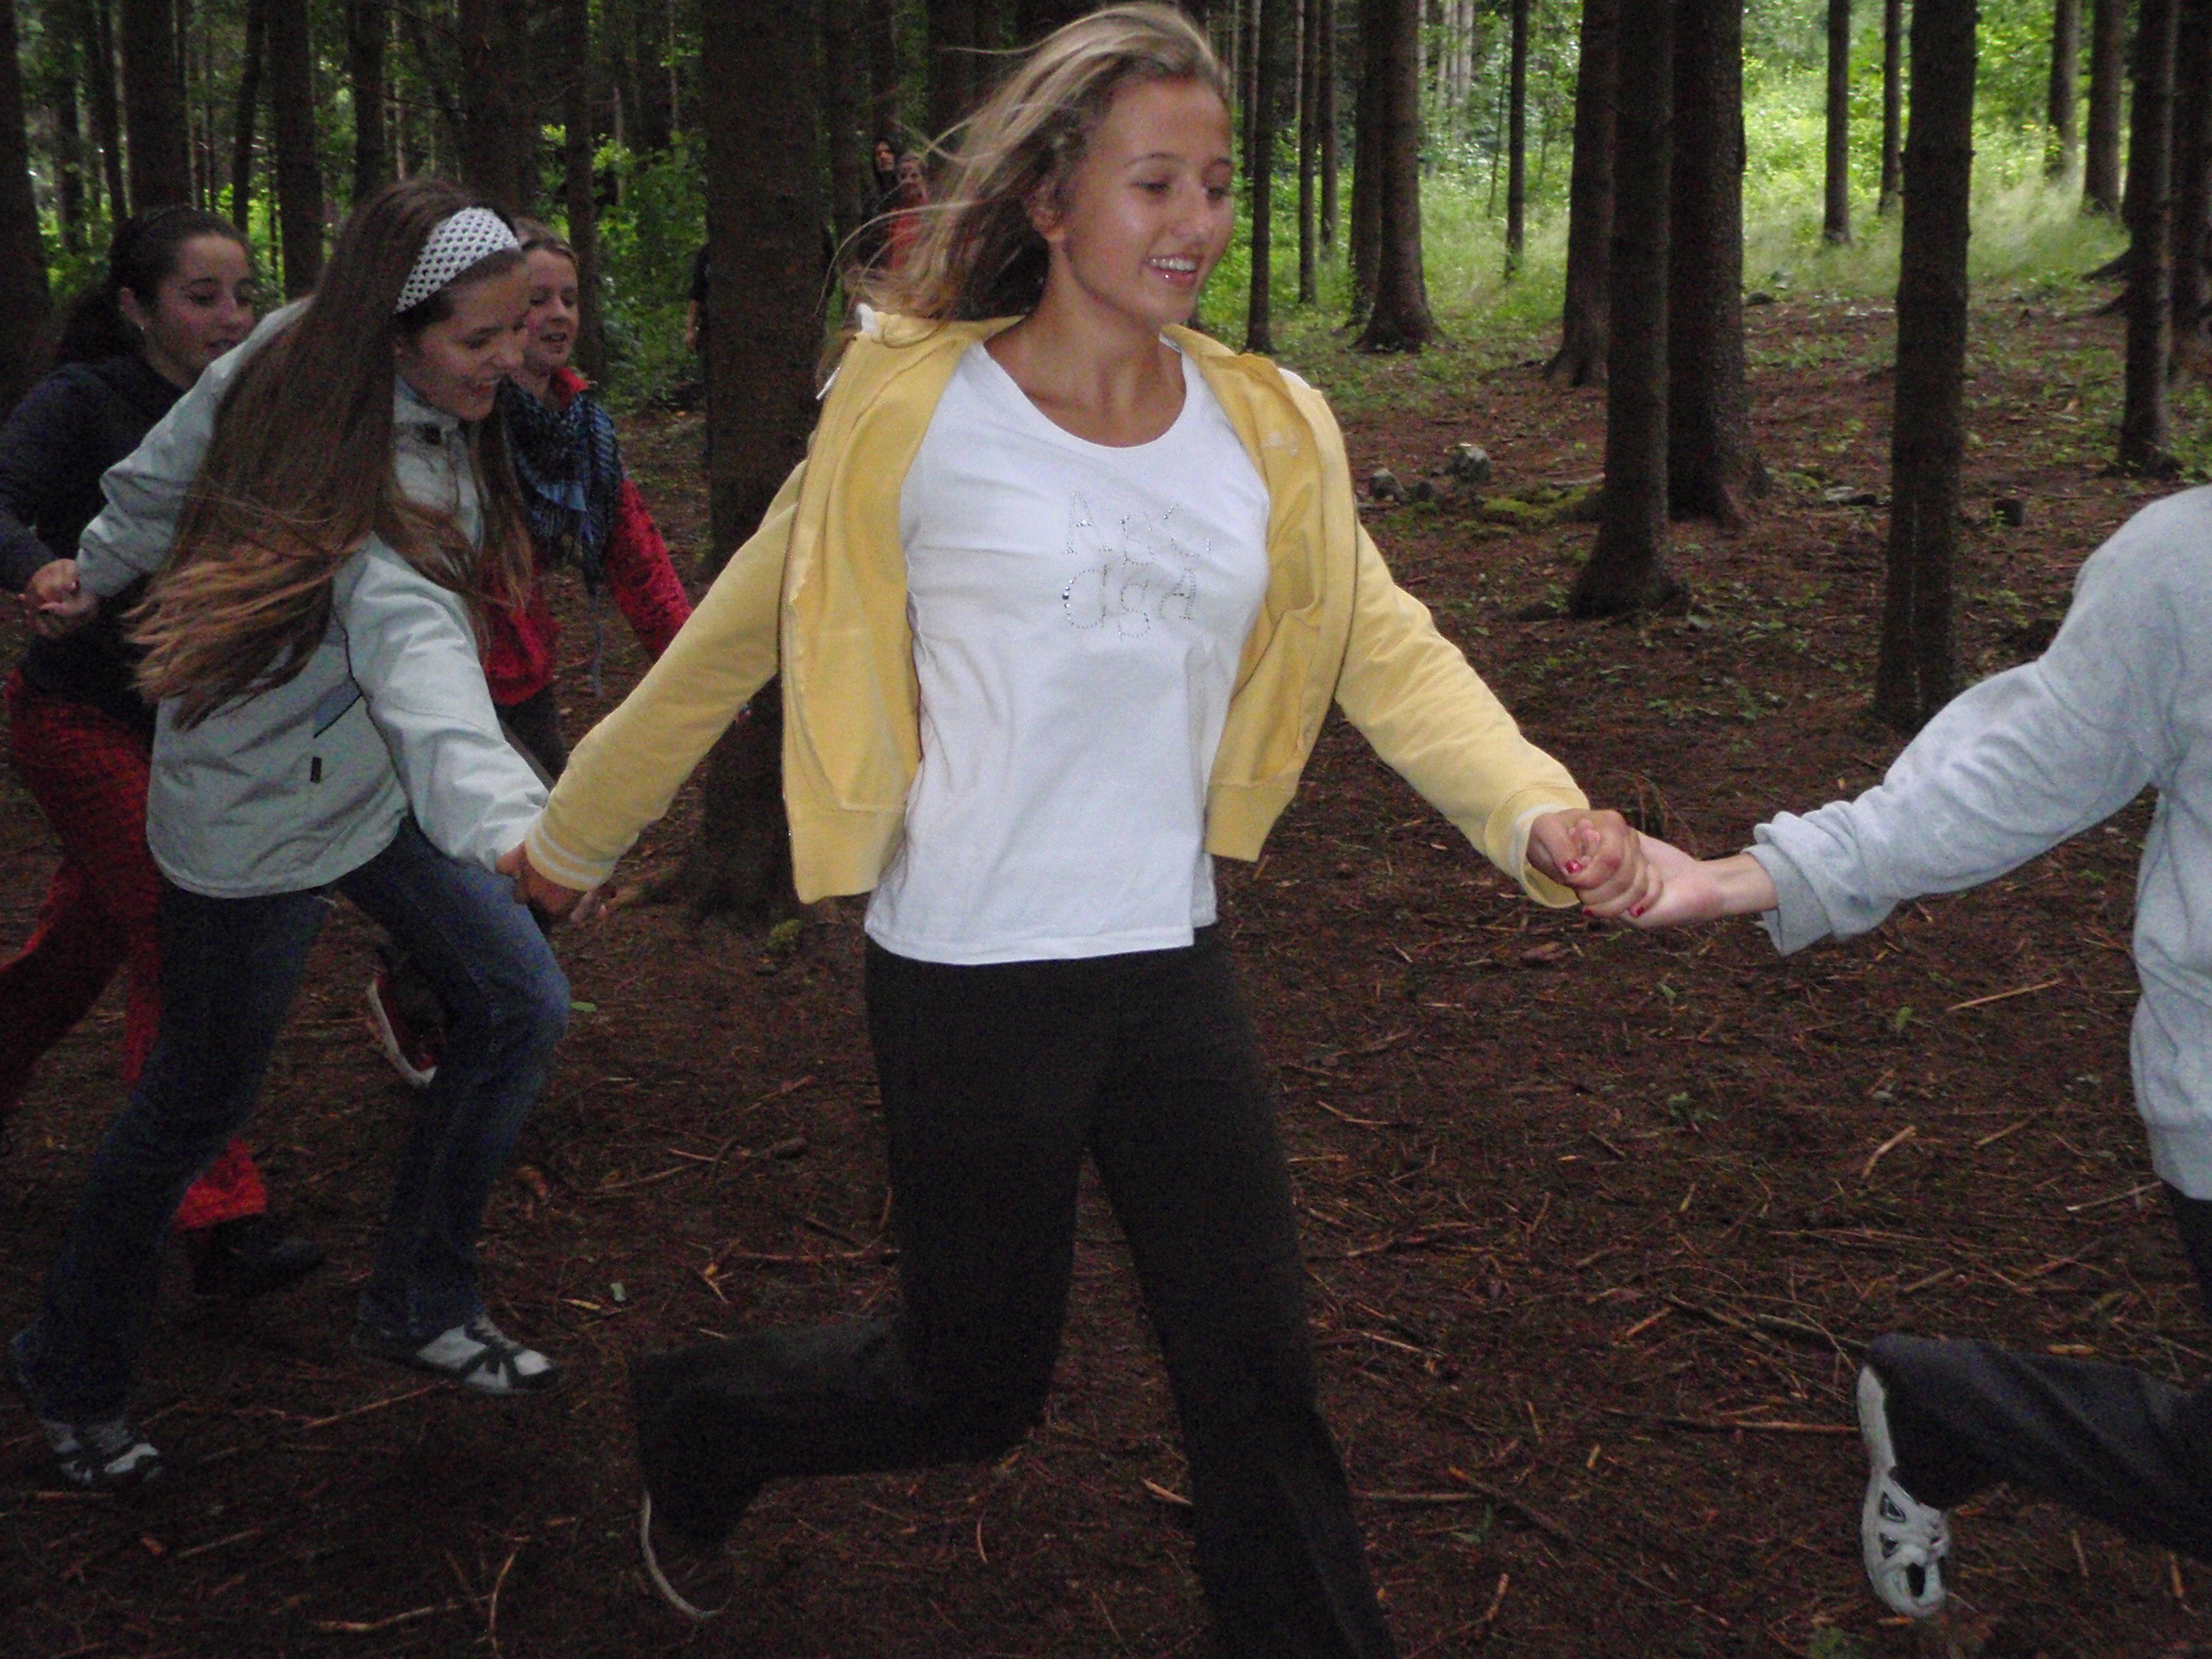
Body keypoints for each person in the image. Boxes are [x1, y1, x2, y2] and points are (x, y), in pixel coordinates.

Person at [508, 9, 1654, 1649]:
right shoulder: (912, 415)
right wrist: (567, 846)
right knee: (970, 1386)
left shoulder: (1267, 428)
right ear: (1049, 200)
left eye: (1217, 184)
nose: (1197, 222)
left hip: (1169, 964)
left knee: (1257, 1380)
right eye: (1153, 183)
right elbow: (730, 638)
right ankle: (704, 1421)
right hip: (970, 972)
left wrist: (1535, 810)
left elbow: (1384, 650)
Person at [9, 180, 571, 1495]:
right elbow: (419, 659)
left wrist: (103, 561)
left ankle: (420, 1298)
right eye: (481, 337)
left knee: (519, 1002)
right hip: (255, 810)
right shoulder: (351, 455)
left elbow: (174, 469)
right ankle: (69, 1365)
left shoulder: (355, 361)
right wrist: (515, 827)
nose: (510, 356)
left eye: (517, 327)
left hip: (373, 790)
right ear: (395, 326)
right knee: (193, 1101)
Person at [1627, 483, 2212, 1618]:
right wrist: (1765, 873)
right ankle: (1950, 1404)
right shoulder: (2183, 567)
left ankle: (1945, 1407)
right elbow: (2021, 764)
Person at [1, 207, 323, 1302]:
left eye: (244, 295)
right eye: (202, 296)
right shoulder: (81, 402)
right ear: (137, 308)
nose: (231, 317)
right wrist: (38, 568)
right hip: (79, 721)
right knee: (179, 936)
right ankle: (216, 1214)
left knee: (83, 944)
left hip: (191, 732)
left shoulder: (254, 408)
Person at [361, 220, 693, 1087]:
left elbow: (633, 549)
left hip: (523, 673)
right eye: (529, 303)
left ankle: (460, 1002)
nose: (552, 318)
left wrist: (692, 662)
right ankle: (419, 1003)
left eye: (566, 299)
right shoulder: (462, 415)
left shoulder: (580, 428)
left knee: (542, 848)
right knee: (493, 852)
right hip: (448, 673)